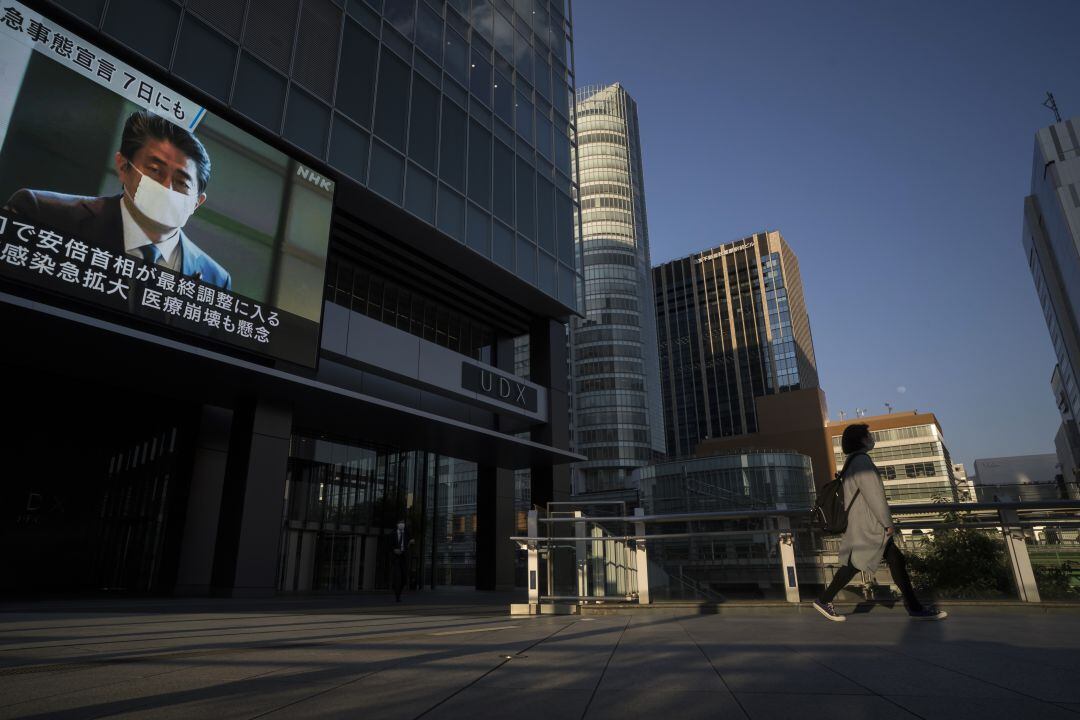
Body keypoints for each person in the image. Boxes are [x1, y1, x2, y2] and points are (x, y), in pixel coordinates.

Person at [4, 110, 231, 289]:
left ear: (197, 202)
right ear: (123, 167)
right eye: (155, 170)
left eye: (182, 182)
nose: (166, 187)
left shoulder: (216, 280)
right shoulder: (41, 214)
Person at [813, 423, 947, 622]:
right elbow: (875, 496)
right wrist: (887, 523)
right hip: (871, 526)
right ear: (861, 440)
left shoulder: (852, 461)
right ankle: (824, 600)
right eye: (868, 435)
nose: (871, 438)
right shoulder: (862, 462)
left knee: (894, 560)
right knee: (855, 565)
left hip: (863, 524)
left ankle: (915, 607)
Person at [391, 519, 411, 602]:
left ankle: (397, 589)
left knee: (404, 578)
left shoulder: (406, 534)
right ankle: (397, 596)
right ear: (397, 525)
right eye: (400, 523)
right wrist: (394, 550)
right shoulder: (393, 534)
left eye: (403, 523)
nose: (401, 524)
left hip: (404, 556)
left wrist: (410, 543)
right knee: (397, 576)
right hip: (396, 557)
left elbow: (410, 543)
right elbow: (388, 545)